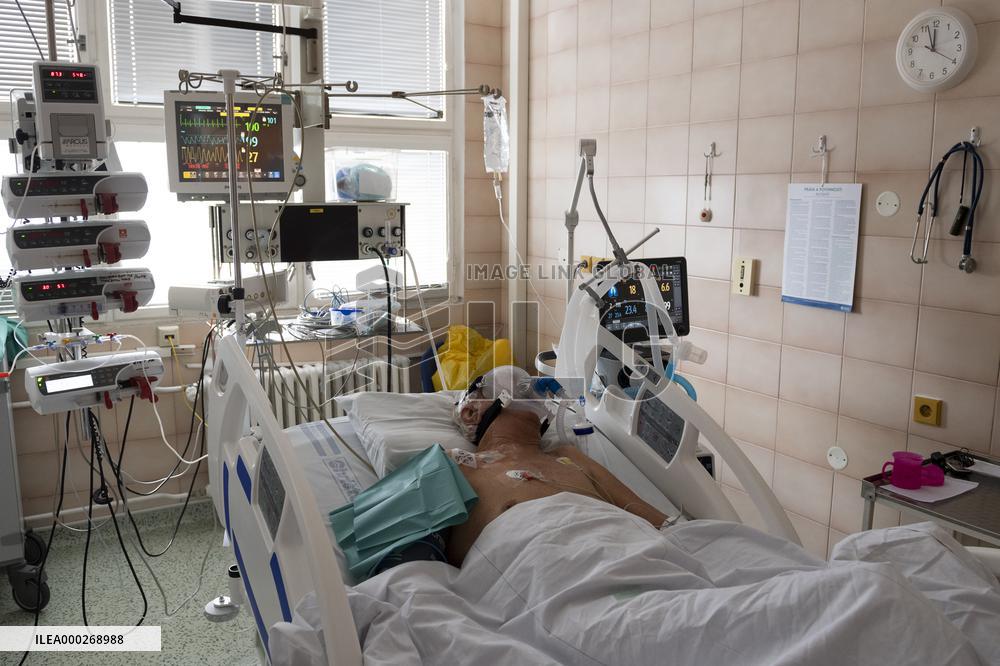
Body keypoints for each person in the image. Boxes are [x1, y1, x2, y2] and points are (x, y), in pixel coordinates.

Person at [446, 385, 669, 566]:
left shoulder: (568, 456)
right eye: (519, 385)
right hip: (545, 571)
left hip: (631, 554)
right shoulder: (456, 465)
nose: (533, 390)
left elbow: (662, 525)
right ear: (470, 412)